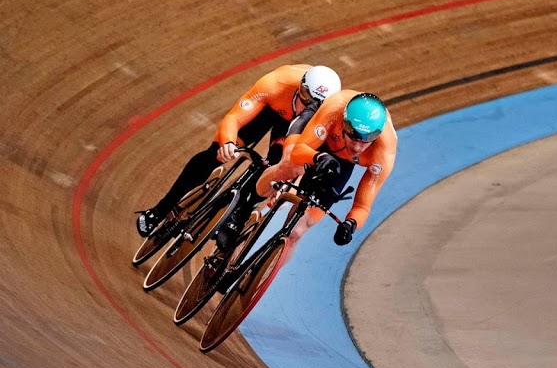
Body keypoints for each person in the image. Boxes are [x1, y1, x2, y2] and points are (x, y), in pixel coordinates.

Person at [135, 64, 342, 237]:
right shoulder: (276, 84)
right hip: (269, 110)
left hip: (296, 130)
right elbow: (234, 118)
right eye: (305, 94)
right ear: (300, 85)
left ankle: (232, 215)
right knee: (214, 155)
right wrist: (228, 143)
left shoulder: (324, 120)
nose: (306, 104)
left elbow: (300, 159)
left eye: (316, 104)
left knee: (274, 171)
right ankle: (159, 210)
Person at [246, 90, 397, 261]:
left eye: (365, 140)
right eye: (352, 136)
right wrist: (317, 156)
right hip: (317, 137)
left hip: (341, 163)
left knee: (295, 233)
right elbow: (297, 153)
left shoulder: (383, 153)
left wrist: (350, 224)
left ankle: (258, 282)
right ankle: (247, 204)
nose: (356, 147)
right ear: (344, 123)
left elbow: (362, 206)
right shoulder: (335, 109)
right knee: (289, 166)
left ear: (376, 136)